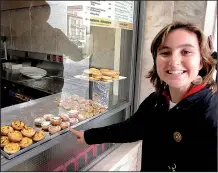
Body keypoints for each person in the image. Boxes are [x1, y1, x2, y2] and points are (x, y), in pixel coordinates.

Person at [68, 22, 217, 172]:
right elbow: (131, 128)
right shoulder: (156, 101)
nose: (174, 61)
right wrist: (89, 136)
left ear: (201, 62)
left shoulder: (211, 115)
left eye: (186, 52)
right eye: (165, 52)